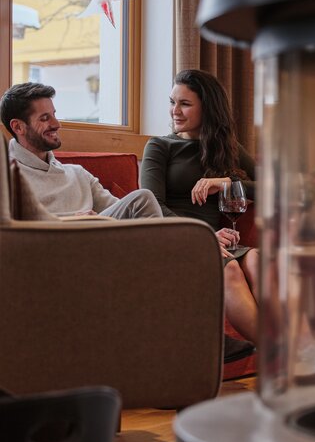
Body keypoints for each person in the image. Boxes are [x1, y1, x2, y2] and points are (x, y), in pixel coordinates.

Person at [141, 69, 259, 345]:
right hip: (179, 238)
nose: (175, 111)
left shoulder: (227, 147)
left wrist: (226, 182)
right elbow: (150, 204)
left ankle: (304, 348)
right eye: (172, 102)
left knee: (261, 261)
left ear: (207, 108)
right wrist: (200, 236)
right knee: (229, 269)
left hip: (219, 241)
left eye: (184, 104)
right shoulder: (159, 147)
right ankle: (279, 356)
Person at [1, 82, 162, 219]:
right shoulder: (7, 176)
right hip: (49, 245)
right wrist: (74, 222)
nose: (57, 124)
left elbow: (121, 211)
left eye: (54, 115)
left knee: (143, 198)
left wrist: (96, 223)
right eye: (44, 118)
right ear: (18, 126)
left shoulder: (78, 174)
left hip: (97, 241)